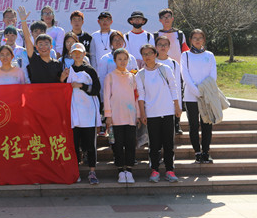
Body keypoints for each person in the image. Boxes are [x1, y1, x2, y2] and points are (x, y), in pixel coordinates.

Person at [136, 44, 181, 183]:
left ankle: (170, 170)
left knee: (168, 143)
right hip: (151, 113)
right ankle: (154, 170)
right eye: (144, 54)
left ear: (155, 54)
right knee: (154, 144)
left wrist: (177, 106)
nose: (147, 56)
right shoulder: (140, 74)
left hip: (167, 111)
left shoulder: (165, 69)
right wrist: (142, 113)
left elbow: (173, 87)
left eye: (150, 53)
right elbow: (141, 95)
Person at [62, 43, 101, 185]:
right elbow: (62, 90)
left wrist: (81, 86)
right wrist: (62, 78)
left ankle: (92, 172)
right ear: (70, 54)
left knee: (90, 144)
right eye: (74, 52)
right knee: (74, 144)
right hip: (74, 112)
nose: (77, 55)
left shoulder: (90, 70)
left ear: (84, 54)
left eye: (80, 52)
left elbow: (96, 89)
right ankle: (75, 172)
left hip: (88, 111)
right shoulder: (68, 70)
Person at [181, 29, 217, 164]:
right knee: (194, 125)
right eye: (194, 38)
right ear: (190, 40)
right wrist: (196, 91)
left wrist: (205, 91)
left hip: (207, 95)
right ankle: (197, 152)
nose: (197, 40)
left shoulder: (209, 55)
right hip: (191, 96)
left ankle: (206, 152)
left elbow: (213, 75)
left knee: (207, 124)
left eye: (200, 38)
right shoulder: (185, 55)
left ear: (204, 40)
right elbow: (185, 75)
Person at [103, 48, 139, 184]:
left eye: (125, 59)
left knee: (130, 143)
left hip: (130, 116)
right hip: (115, 116)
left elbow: (136, 97)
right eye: (120, 59)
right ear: (115, 60)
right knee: (117, 144)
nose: (122, 61)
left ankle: (129, 170)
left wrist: (138, 114)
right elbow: (106, 97)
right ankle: (120, 171)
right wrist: (108, 115)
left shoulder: (132, 77)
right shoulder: (110, 77)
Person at [18, 6, 63, 84]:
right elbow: (28, 39)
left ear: (51, 46)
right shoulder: (34, 60)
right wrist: (23, 21)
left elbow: (60, 82)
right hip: (34, 91)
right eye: (41, 45)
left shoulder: (58, 64)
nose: (44, 47)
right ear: (37, 47)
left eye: (46, 44)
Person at [155, 35, 183, 135]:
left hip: (170, 96)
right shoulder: (152, 62)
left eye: (165, 44)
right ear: (156, 47)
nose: (163, 47)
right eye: (160, 44)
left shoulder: (174, 64)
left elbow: (177, 85)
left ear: (169, 47)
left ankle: (176, 124)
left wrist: (178, 105)